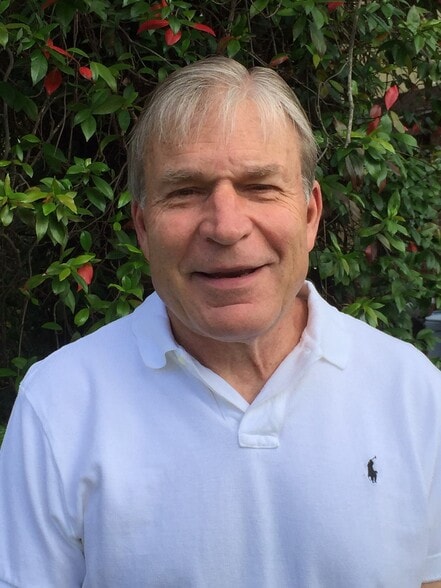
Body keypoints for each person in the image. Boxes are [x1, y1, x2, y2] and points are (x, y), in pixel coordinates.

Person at [0, 57, 440, 588]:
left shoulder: (413, 393)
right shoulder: (59, 406)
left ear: (309, 215)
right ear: (143, 227)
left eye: (260, 186)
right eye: (185, 191)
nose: (226, 227)